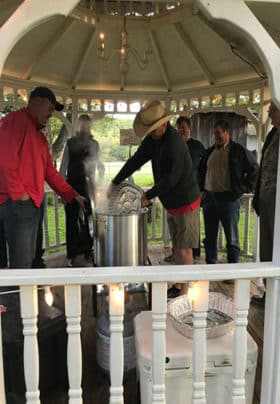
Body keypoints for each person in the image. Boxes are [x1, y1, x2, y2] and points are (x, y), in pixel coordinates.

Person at [107, 100, 201, 296]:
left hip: (186, 202)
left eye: (152, 129)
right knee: (177, 248)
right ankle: (179, 285)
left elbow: (172, 178)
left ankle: (185, 294)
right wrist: (115, 181)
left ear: (163, 124)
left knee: (185, 250)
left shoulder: (175, 142)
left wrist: (148, 196)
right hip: (172, 202)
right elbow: (136, 161)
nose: (149, 132)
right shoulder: (153, 139)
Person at [0, 86, 85, 269]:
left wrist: (72, 194)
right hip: (17, 204)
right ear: (36, 101)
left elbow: (50, 172)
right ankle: (19, 297)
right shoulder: (16, 121)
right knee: (21, 263)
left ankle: (26, 295)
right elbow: (5, 159)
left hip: (32, 204)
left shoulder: (39, 137)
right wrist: (20, 195)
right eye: (49, 108)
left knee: (30, 259)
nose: (51, 113)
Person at [199, 119, 259, 265]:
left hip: (229, 200)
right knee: (210, 237)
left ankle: (232, 271)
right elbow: (200, 172)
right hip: (209, 199)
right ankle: (211, 268)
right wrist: (201, 190)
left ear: (227, 133)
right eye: (215, 133)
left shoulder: (238, 151)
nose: (216, 136)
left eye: (218, 133)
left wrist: (243, 189)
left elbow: (254, 169)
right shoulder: (209, 152)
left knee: (232, 238)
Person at [60, 114, 105, 267]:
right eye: (82, 125)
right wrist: (62, 191)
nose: (85, 128)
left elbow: (101, 167)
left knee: (90, 221)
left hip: (89, 188)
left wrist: (99, 184)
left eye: (87, 125)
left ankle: (88, 250)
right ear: (78, 126)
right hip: (71, 187)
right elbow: (62, 169)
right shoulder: (70, 144)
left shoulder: (94, 144)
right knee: (71, 221)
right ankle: (72, 254)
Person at [253, 102, 280, 263]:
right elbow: (262, 167)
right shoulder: (272, 134)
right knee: (267, 244)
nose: (269, 115)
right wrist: (257, 196)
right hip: (266, 198)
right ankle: (268, 285)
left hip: (277, 200)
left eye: (272, 111)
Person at [176, 116, 205, 259]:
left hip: (194, 192)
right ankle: (179, 252)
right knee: (179, 225)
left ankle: (195, 253)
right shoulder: (174, 145)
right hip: (177, 193)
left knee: (193, 224)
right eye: (179, 127)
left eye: (184, 127)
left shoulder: (198, 146)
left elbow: (205, 169)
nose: (181, 130)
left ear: (189, 128)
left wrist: (203, 189)